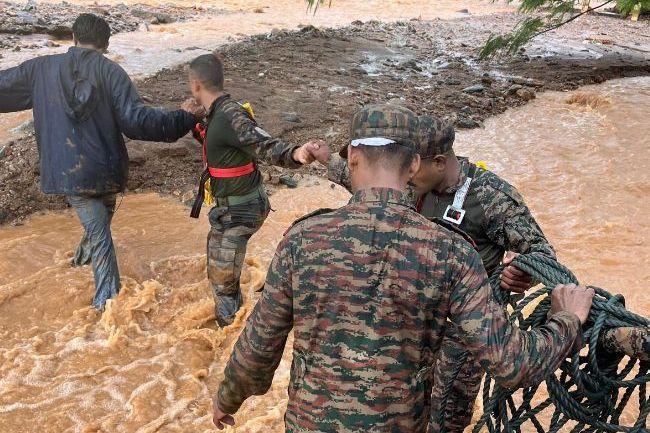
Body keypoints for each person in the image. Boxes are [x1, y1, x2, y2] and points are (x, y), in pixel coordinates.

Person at [210, 105, 594, 432]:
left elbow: (258, 346)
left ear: (355, 159)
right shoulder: (453, 253)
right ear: (412, 165)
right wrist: (567, 319)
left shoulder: (300, 239)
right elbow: (514, 364)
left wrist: (228, 396)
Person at [324, 114, 557, 432]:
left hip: (463, 337)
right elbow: (360, 176)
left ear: (438, 162)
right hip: (409, 327)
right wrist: (320, 156)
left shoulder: (491, 199)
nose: (405, 171)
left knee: (446, 419)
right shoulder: (408, 184)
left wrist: (520, 271)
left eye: (413, 164)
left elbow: (543, 255)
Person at [0, 14, 198, 310]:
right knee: (100, 232)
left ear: (73, 37)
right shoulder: (112, 72)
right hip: (106, 171)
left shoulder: (40, 69)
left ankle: (81, 271)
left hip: (68, 172)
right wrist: (184, 117)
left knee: (98, 226)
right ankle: (107, 306)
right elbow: (137, 121)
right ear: (106, 43)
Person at [182, 54, 323, 327]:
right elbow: (219, 144)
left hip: (240, 210)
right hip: (236, 207)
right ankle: (241, 314)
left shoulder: (230, 115)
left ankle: (233, 335)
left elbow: (263, 143)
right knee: (218, 262)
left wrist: (296, 154)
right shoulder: (218, 113)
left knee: (222, 282)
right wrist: (195, 121)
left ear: (196, 85)